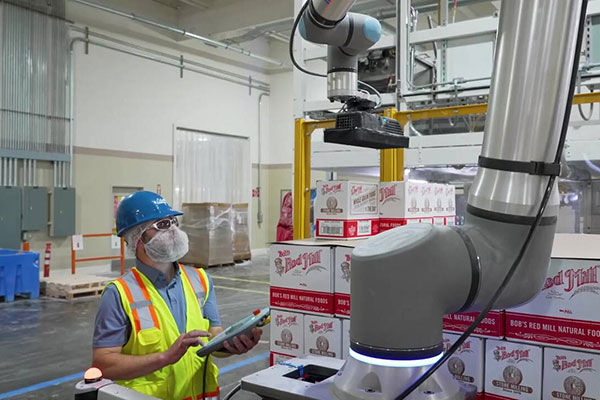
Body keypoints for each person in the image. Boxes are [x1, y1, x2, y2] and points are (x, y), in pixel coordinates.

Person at [92, 191, 262, 399]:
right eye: (162, 225)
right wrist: (165, 357)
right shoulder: (118, 294)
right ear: (137, 238)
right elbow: (105, 364)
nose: (173, 229)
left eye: (173, 222)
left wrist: (232, 345)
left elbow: (212, 339)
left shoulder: (200, 279)